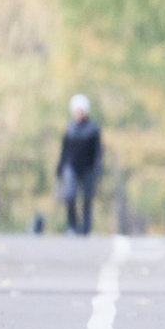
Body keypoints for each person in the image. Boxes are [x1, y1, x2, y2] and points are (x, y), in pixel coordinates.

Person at [57, 94, 101, 235]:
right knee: (70, 195)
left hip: (88, 168)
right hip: (71, 167)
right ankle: (71, 226)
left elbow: (97, 152)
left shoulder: (93, 130)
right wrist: (60, 167)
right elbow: (64, 150)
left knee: (87, 199)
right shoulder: (69, 129)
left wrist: (97, 168)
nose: (79, 114)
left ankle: (86, 228)